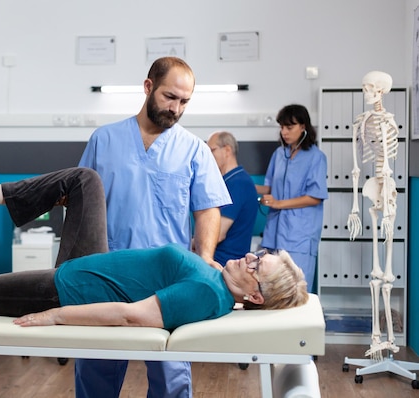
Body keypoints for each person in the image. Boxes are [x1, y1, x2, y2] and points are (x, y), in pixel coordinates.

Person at [0, 164, 308, 333]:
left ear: (257, 296)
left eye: (256, 265)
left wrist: (55, 316)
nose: (249, 255)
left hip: (67, 289)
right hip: (88, 264)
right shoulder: (213, 277)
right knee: (86, 181)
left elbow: (133, 316)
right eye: (257, 253)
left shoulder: (208, 296)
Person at [77, 56, 231, 397]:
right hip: (109, 271)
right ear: (148, 87)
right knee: (95, 368)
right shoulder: (104, 141)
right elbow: (81, 205)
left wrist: (203, 260)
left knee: (171, 373)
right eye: (169, 97)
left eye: (184, 101)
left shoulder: (193, 149)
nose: (176, 108)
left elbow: (208, 209)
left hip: (168, 277)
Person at [256, 104, 328, 292]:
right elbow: (270, 187)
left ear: (303, 127)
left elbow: (315, 197)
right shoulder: (279, 154)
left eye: (289, 127)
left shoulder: (316, 157)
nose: (284, 132)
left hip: (299, 235)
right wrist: (247, 187)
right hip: (274, 232)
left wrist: (279, 203)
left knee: (297, 288)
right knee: (270, 288)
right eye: (281, 127)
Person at [206, 131, 259, 266]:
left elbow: (218, 234)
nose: (208, 156)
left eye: (212, 150)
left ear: (227, 150)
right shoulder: (229, 181)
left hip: (225, 262)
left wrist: (189, 243)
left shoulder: (238, 183)